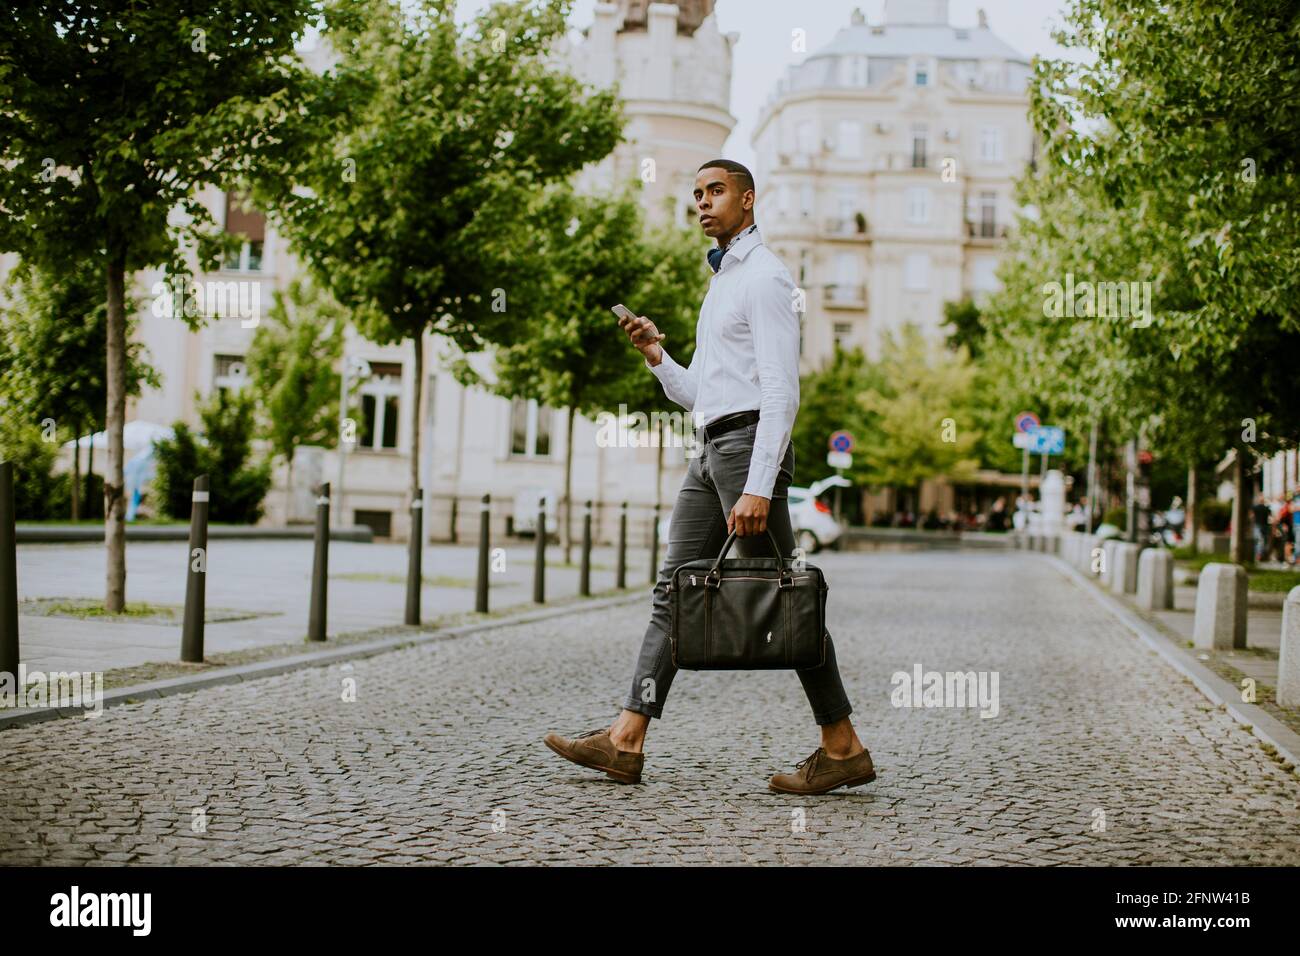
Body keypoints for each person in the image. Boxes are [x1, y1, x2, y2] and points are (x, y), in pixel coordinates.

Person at [544, 160, 874, 795]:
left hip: (748, 449)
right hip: (712, 446)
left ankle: (843, 745)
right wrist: (656, 356)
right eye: (696, 193)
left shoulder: (768, 278)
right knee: (673, 592)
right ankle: (625, 739)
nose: (702, 202)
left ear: (748, 200)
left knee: (789, 598)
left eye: (715, 191)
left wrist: (758, 482)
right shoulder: (722, 283)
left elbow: (781, 393)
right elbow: (703, 393)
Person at [1252, 494, 1272, 563]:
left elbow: (1252, 516)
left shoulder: (1256, 507)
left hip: (1259, 526)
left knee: (1259, 541)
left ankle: (1258, 555)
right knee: (1261, 541)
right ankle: (1259, 555)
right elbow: (1271, 517)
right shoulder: (1266, 508)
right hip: (1263, 526)